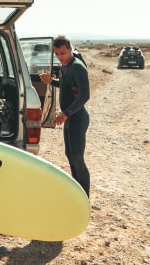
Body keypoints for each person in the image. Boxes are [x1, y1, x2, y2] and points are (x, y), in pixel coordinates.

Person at [40, 35, 90, 197]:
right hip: (69, 117)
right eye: (57, 54)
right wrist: (51, 81)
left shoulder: (77, 67)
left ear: (70, 49)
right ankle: (77, 192)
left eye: (63, 53)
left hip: (77, 117)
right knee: (70, 155)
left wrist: (65, 114)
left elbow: (85, 95)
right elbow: (65, 84)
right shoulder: (65, 67)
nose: (60, 57)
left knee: (77, 158)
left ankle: (84, 197)